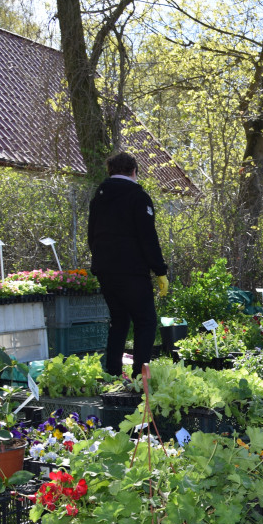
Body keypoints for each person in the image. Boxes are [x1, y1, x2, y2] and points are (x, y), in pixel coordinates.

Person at [87, 151, 169, 380]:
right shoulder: (137, 196)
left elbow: (91, 236)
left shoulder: (99, 197)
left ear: (110, 172)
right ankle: (139, 375)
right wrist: (160, 270)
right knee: (146, 320)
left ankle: (113, 373)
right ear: (134, 172)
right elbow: (147, 237)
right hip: (131, 270)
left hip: (105, 269)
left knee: (119, 320)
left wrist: (102, 261)